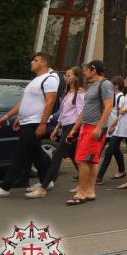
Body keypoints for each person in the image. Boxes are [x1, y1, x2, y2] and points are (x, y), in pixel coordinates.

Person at [0, 52, 60, 200]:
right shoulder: (37, 79)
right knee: (35, 152)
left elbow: (50, 102)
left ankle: (5, 187)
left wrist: (43, 123)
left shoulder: (50, 79)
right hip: (27, 120)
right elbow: (24, 102)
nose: (32, 62)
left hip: (36, 122)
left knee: (20, 153)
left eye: (35, 60)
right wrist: (8, 117)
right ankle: (47, 181)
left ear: (44, 63)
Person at [31, 65, 84, 199]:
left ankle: (44, 186)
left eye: (69, 75)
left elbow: (81, 113)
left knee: (57, 155)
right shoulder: (68, 92)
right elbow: (64, 113)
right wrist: (57, 127)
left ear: (77, 77)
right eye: (66, 75)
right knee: (73, 156)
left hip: (73, 127)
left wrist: (75, 130)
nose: (66, 78)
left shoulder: (80, 93)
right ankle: (84, 183)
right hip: (66, 126)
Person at [67, 60, 114, 205]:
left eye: (86, 69)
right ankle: (90, 191)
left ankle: (81, 192)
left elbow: (108, 106)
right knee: (92, 160)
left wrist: (99, 127)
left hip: (94, 127)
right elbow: (86, 109)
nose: (84, 72)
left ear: (93, 70)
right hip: (86, 126)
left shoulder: (105, 84)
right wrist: (75, 128)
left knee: (81, 160)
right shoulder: (93, 85)